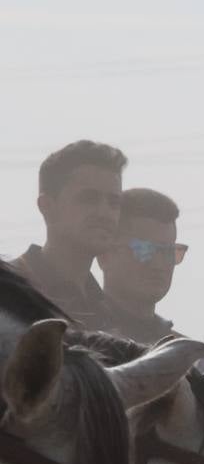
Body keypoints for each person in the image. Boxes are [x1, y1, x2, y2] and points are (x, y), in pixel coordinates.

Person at [19, 140, 125, 329]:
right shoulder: (11, 291)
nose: (105, 213)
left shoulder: (106, 313)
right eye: (89, 199)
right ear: (47, 206)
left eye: (114, 202)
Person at [97, 188, 183, 345]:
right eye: (144, 250)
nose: (158, 265)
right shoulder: (79, 342)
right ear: (105, 254)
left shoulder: (187, 356)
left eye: (168, 251)